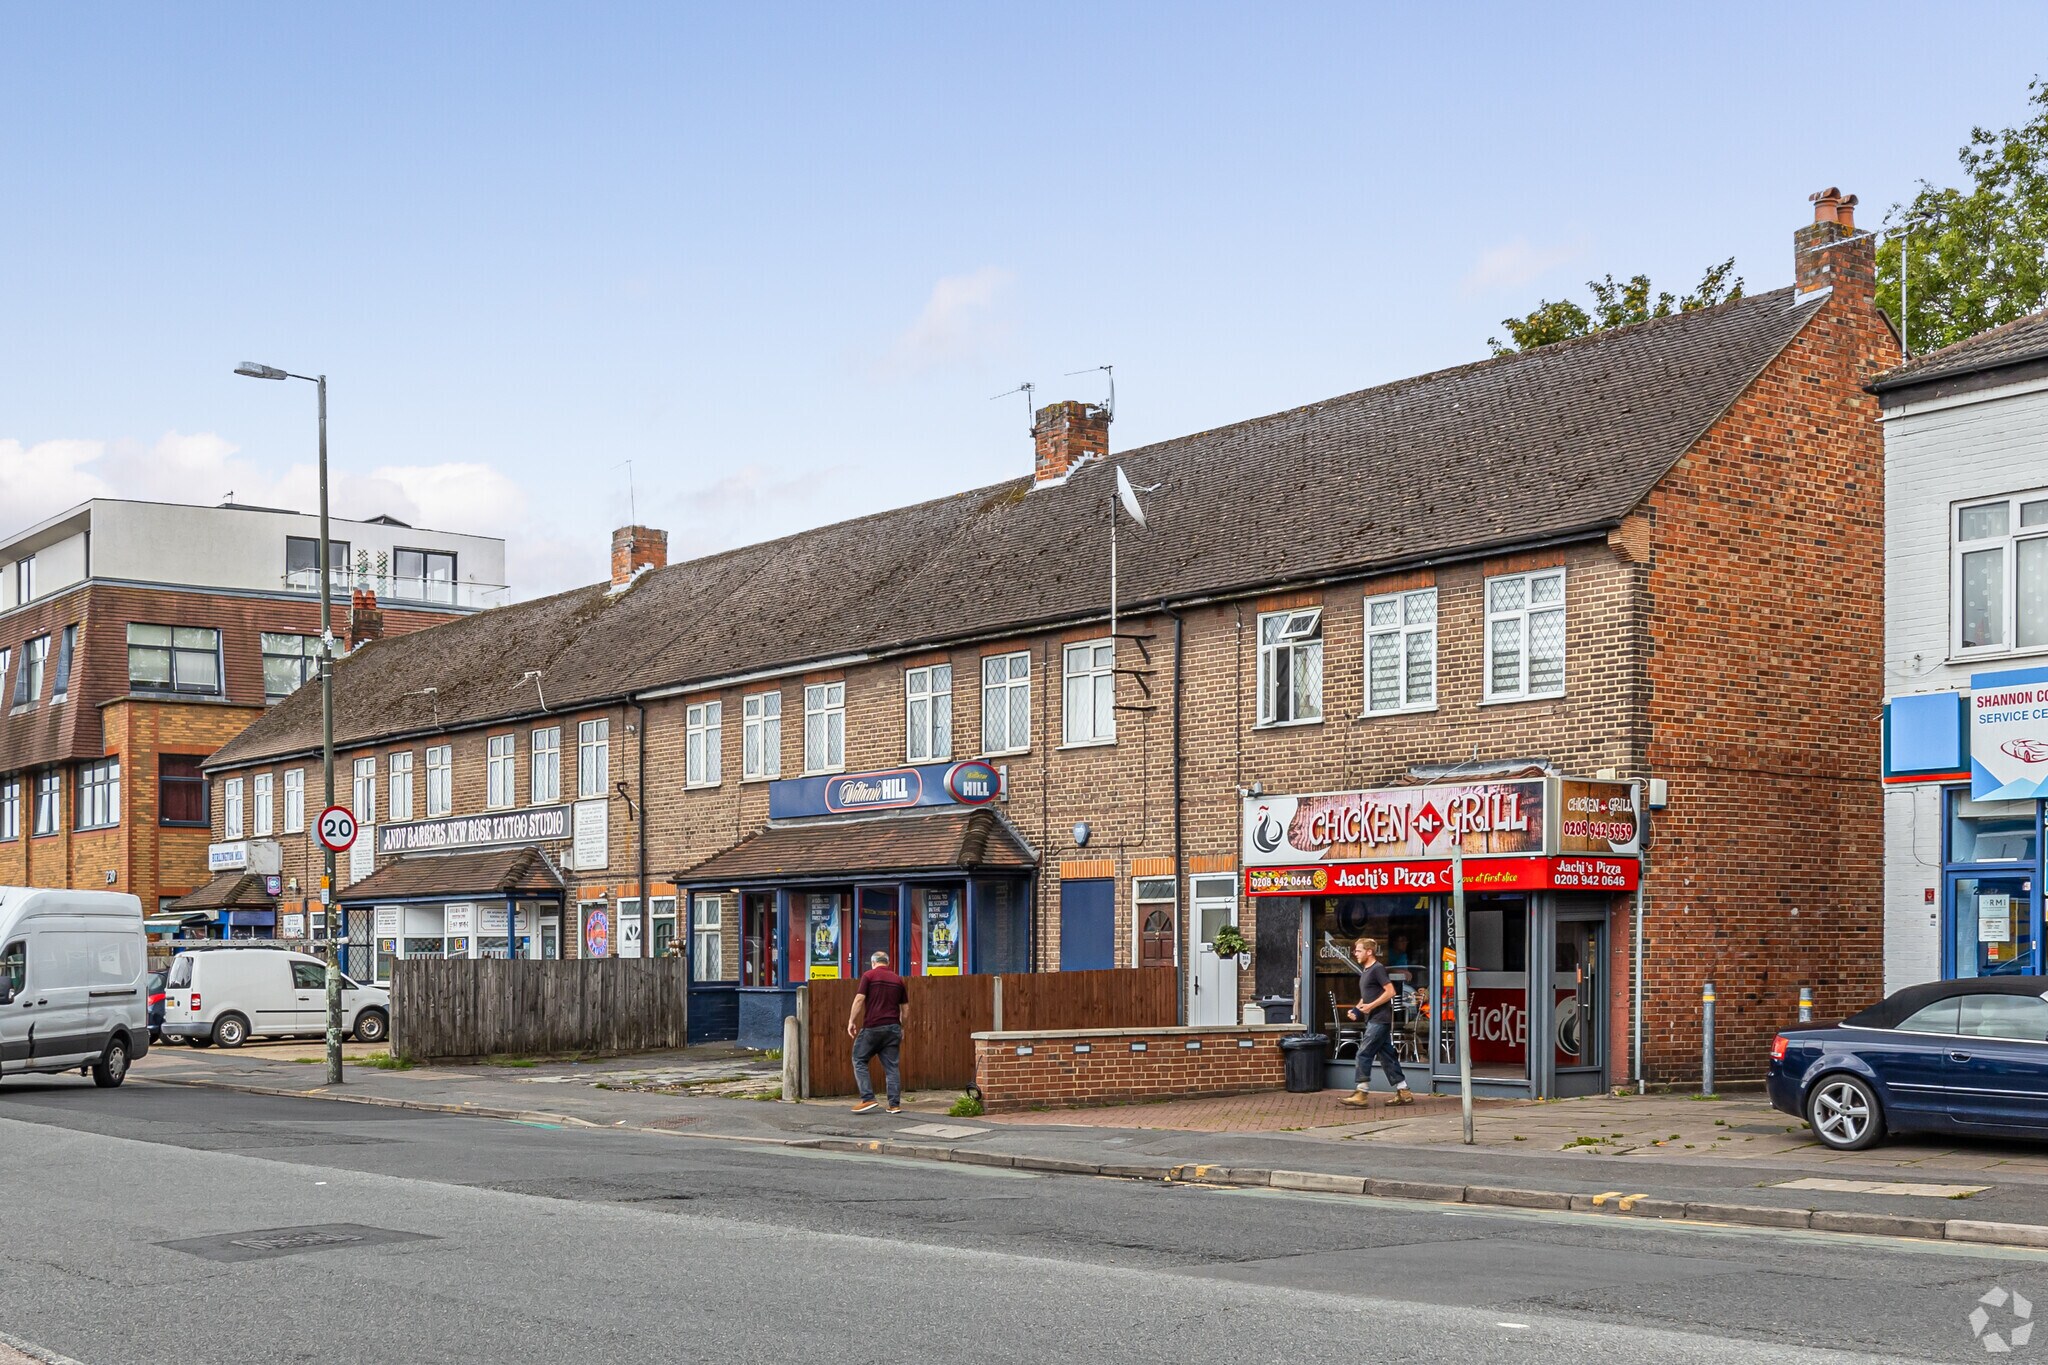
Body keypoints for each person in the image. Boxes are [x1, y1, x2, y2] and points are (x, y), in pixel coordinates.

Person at [1342, 936, 1414, 1108]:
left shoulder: (1377, 969)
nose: (1355, 954)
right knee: (1387, 1056)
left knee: (1363, 1053)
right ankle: (1403, 1091)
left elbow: (1390, 992)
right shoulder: (1367, 971)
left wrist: (1371, 1006)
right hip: (1374, 1018)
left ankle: (1362, 1092)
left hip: (1380, 1019)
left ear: (1369, 951)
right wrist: (1357, 1009)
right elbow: (1367, 996)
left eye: (1358, 950)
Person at [847, 950, 909, 1114]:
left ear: (874, 962)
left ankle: (868, 1098)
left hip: (873, 1026)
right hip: (893, 1028)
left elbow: (860, 999)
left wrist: (851, 1021)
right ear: (888, 963)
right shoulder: (898, 980)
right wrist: (901, 1027)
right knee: (892, 1067)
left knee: (859, 1059)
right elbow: (905, 1008)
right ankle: (894, 1105)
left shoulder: (869, 975)